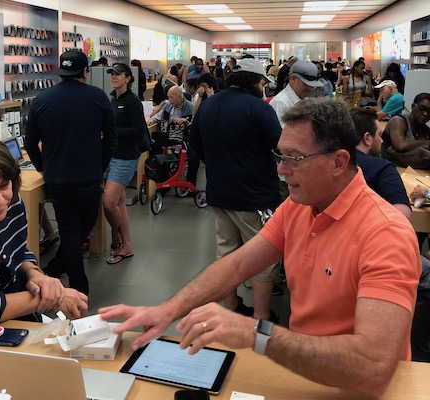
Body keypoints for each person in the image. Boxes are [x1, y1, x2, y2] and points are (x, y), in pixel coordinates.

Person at [100, 99, 420, 397]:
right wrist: (168, 310)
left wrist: (258, 333)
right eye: (280, 156)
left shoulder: (385, 234)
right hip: (302, 373)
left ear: (339, 161)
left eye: (294, 158)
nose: (281, 170)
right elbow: (237, 265)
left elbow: (373, 368)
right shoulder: (299, 207)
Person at [0, 131, 88, 333]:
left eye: (4, 185)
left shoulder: (10, 204)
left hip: (13, 325)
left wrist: (33, 273)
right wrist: (46, 297)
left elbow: (18, 250)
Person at [189, 57, 282, 320]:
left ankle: (231, 306)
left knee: (226, 250)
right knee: (265, 253)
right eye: (263, 83)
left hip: (218, 191)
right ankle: (261, 316)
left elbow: (194, 142)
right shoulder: (259, 109)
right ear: (255, 82)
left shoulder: (208, 105)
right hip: (255, 196)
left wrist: (217, 164)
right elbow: (279, 146)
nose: (264, 87)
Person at [25, 50, 118, 295]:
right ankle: (79, 289)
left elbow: (29, 141)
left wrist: (42, 167)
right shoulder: (98, 97)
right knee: (80, 231)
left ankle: (56, 270)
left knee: (69, 233)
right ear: (85, 71)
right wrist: (100, 165)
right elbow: (111, 139)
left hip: (57, 179)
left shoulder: (42, 99)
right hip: (89, 178)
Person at [104, 63, 146, 265]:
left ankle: (116, 237)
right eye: (112, 73)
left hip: (125, 157)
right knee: (119, 203)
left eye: (118, 74)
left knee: (109, 203)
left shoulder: (132, 101)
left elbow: (139, 131)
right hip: (110, 155)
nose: (114, 76)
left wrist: (112, 131)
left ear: (128, 78)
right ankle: (127, 245)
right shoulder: (112, 99)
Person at [350, 107, 411, 220]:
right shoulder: (382, 168)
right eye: (379, 134)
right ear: (367, 138)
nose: (382, 140)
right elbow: (402, 216)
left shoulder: (328, 163)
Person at [381, 92, 430, 169]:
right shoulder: (398, 121)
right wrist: (426, 142)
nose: (425, 114)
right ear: (413, 106)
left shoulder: (426, 130)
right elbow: (401, 145)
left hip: (414, 172)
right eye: (422, 109)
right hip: (389, 168)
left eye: (429, 111)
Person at [269, 60, 322, 126]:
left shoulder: (304, 99)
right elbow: (283, 134)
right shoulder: (281, 103)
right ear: (293, 79)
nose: (311, 88)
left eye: (313, 85)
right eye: (306, 84)